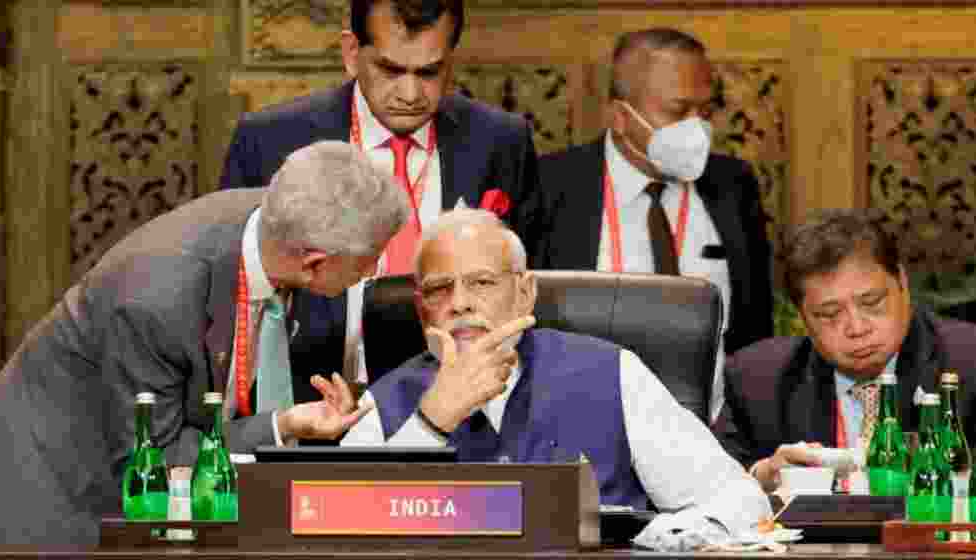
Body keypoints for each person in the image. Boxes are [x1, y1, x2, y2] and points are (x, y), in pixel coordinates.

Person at [0, 141, 410, 545]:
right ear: (314, 263)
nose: (372, 273)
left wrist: (285, 423)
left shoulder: (274, 225)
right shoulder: (156, 298)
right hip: (47, 501)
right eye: (368, 261)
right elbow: (159, 460)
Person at [341, 208, 770, 550]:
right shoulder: (385, 403)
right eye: (440, 289)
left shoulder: (610, 373)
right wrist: (430, 423)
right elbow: (337, 527)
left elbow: (741, 502)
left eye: (482, 282)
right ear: (422, 310)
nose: (460, 303)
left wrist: (658, 537)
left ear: (525, 292)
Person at [220, 0, 540, 383]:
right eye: (390, 69)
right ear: (352, 53)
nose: (409, 93)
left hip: (462, 398)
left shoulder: (501, 143)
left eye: (429, 72)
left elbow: (524, 293)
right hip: (314, 403)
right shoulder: (269, 140)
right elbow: (236, 289)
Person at [534, 28, 773, 422]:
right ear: (620, 117)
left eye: (705, 111)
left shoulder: (733, 185)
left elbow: (755, 327)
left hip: (712, 430)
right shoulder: (551, 187)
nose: (696, 128)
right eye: (678, 112)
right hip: (587, 418)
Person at [715, 209, 976, 492]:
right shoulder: (757, 381)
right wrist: (762, 477)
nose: (856, 327)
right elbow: (707, 488)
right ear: (802, 317)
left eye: (872, 302)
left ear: (901, 282)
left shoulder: (968, 360)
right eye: (829, 314)